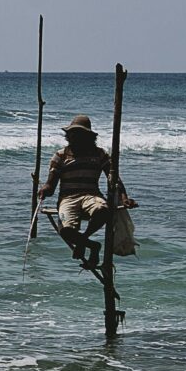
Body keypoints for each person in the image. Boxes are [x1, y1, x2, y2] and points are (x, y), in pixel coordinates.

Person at [39, 114, 120, 269]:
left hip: (91, 195)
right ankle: (92, 245)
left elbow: (114, 178)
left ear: (88, 136)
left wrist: (124, 197)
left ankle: (83, 239)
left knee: (103, 210)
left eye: (80, 134)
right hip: (68, 198)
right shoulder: (60, 155)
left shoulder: (99, 154)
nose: (75, 137)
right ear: (68, 136)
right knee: (66, 231)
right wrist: (45, 189)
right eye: (73, 134)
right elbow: (51, 184)